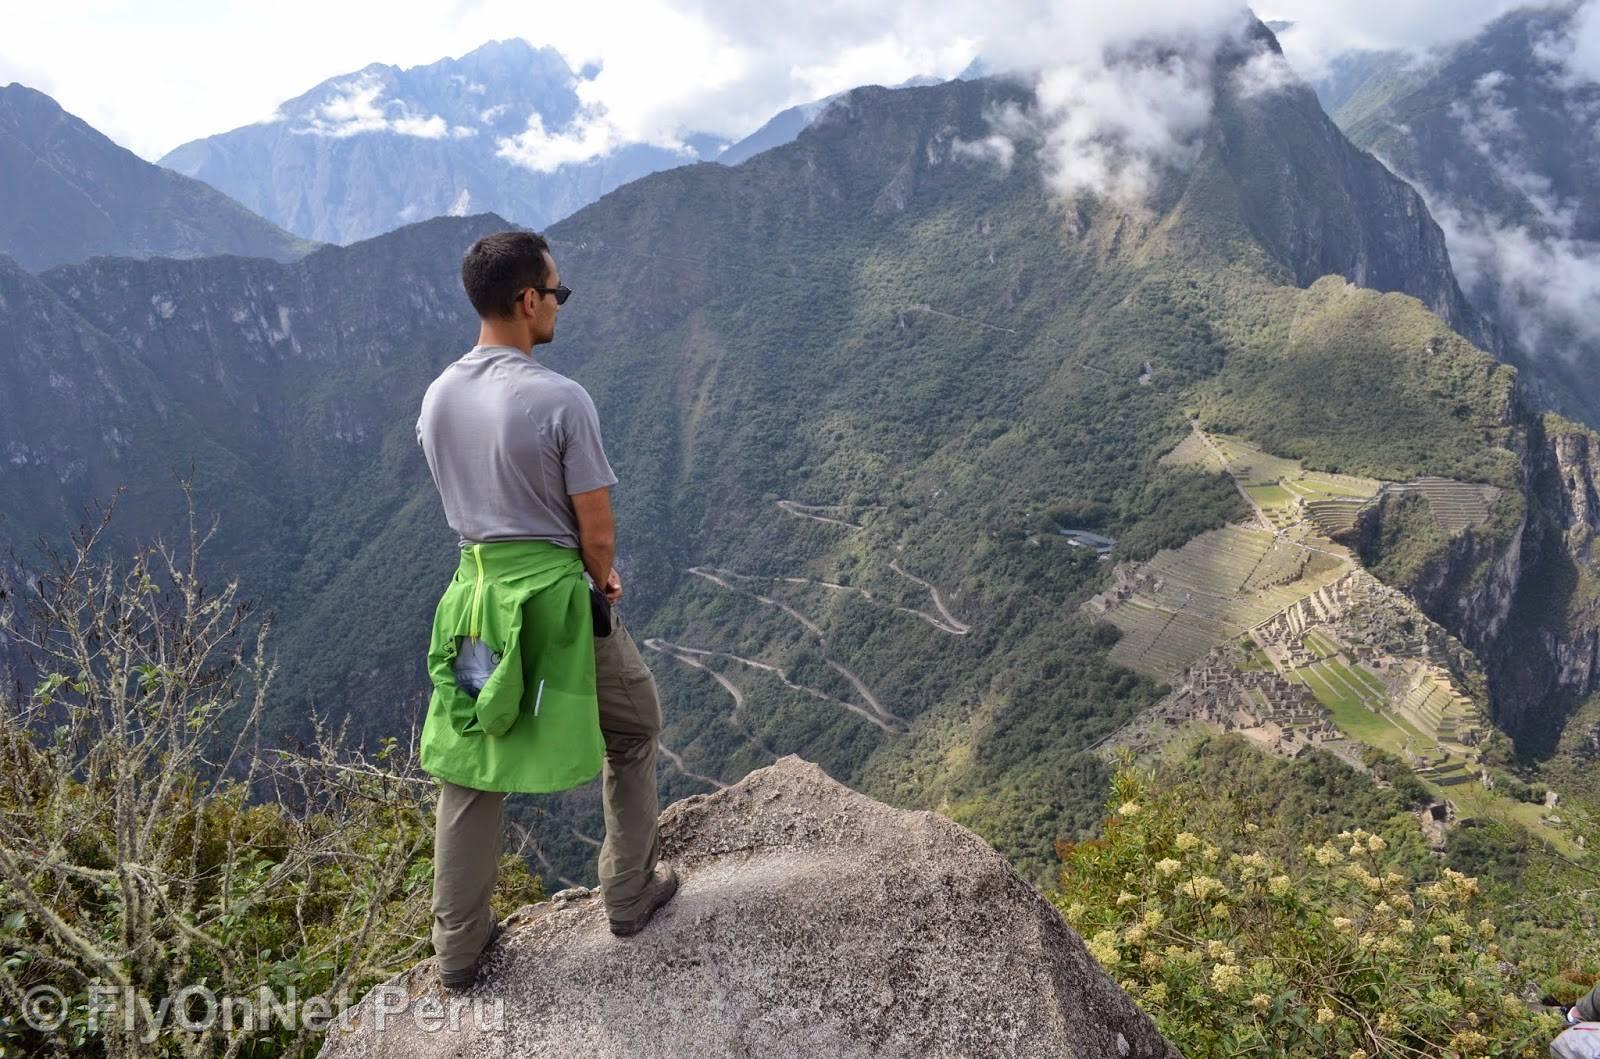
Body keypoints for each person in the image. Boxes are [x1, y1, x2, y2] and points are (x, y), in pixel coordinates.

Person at [414, 229, 679, 992]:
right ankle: (628, 891)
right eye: (557, 292)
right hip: (553, 604)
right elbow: (597, 530)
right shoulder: (560, 399)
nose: (561, 303)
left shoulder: (437, 396)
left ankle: (458, 950)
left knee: (471, 756)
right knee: (635, 726)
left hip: (475, 604)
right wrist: (602, 578)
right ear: (528, 300)